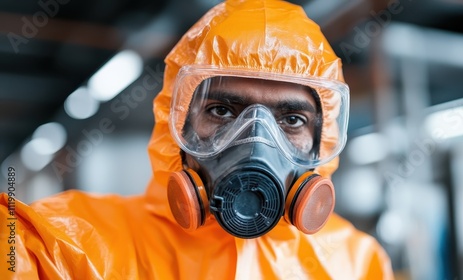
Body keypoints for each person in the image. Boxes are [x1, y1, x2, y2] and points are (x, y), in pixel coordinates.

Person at [0, 0, 393, 279]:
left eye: (291, 119)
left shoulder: (357, 264)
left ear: (319, 143)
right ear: (176, 126)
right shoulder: (69, 246)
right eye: (222, 111)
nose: (255, 142)